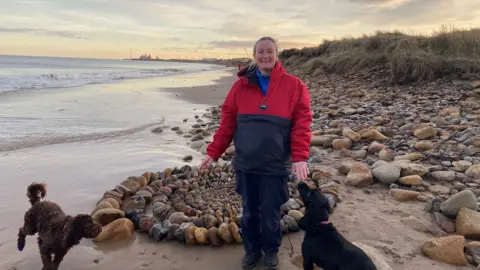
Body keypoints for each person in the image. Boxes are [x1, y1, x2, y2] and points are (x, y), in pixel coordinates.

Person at [199, 36, 312, 269]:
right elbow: (227, 124)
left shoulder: (294, 85)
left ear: (277, 54)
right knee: (250, 211)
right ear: (254, 55)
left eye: (269, 51)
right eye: (260, 52)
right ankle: (252, 251)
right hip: (246, 164)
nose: (265, 56)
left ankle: (271, 251)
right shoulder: (240, 87)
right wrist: (213, 153)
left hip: (274, 164)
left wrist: (299, 157)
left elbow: (302, 124)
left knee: (270, 211)